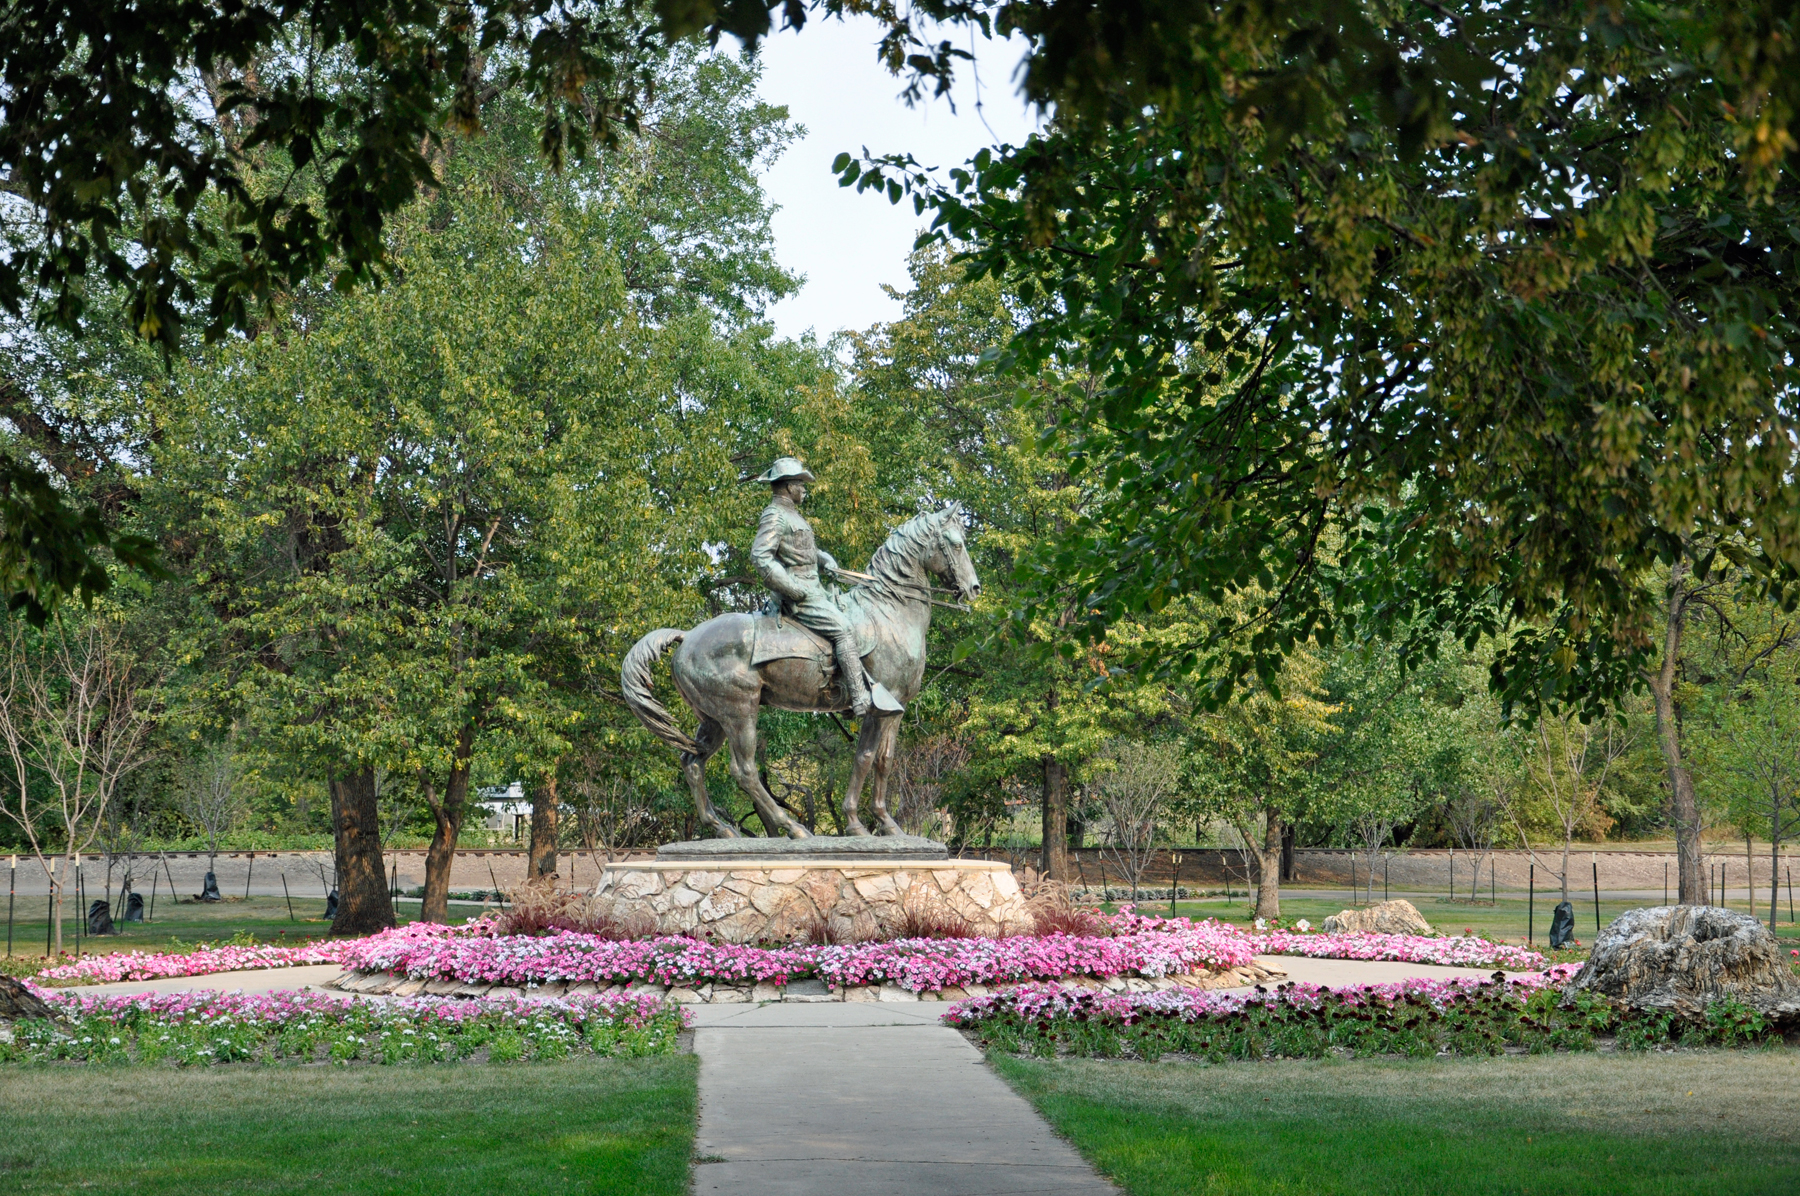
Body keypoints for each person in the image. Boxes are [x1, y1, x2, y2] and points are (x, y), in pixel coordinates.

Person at [749, 457, 872, 715]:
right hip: (800, 595)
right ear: (787, 487)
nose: (804, 489)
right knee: (843, 630)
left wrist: (823, 558)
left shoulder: (792, 514)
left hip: (815, 588)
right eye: (800, 483)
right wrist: (791, 588)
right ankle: (858, 699)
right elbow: (761, 557)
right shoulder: (775, 514)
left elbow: (802, 551)